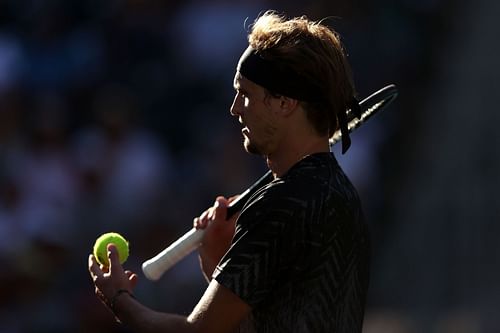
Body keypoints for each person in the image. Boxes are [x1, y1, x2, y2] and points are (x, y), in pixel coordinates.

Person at [88, 10, 370, 333]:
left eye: (245, 94)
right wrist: (219, 263)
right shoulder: (346, 198)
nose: (235, 108)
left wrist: (119, 298)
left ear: (283, 103)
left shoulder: (277, 206)